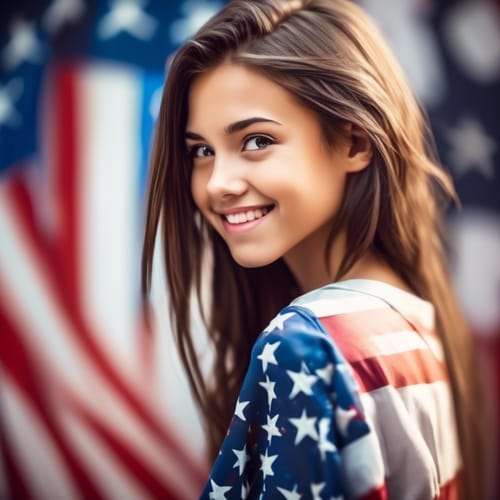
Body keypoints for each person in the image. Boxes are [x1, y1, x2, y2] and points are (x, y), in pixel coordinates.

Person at [141, 0, 487, 498]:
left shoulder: (305, 345)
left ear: (354, 143)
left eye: (257, 141)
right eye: (201, 151)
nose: (218, 183)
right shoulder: (417, 320)